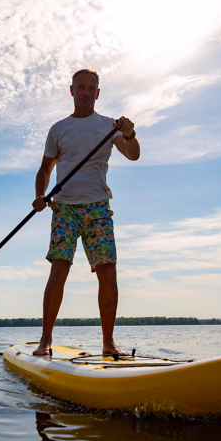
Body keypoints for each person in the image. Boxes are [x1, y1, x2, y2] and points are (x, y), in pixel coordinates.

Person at [31, 69, 140, 356]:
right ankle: (45, 341)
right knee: (59, 269)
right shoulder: (59, 129)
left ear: (98, 93)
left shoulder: (109, 126)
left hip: (97, 208)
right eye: (81, 87)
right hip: (64, 208)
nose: (86, 92)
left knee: (108, 271)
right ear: (72, 90)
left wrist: (130, 133)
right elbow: (45, 169)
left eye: (91, 88)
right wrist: (40, 196)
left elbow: (133, 154)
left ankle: (108, 343)